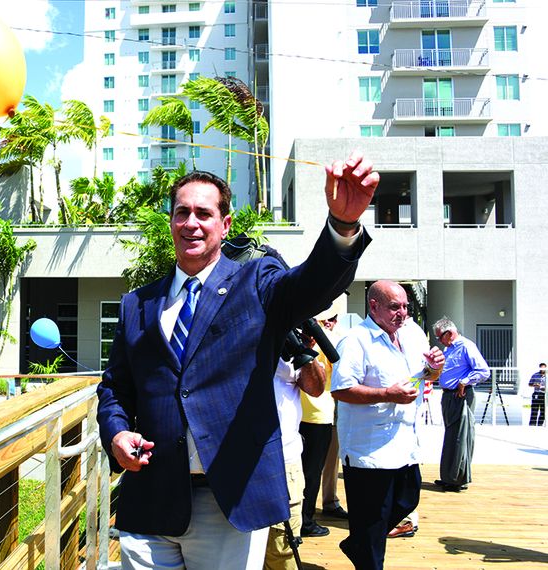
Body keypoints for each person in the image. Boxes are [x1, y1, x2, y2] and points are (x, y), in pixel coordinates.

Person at [97, 151, 378, 569]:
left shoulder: (257, 281)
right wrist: (117, 433)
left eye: (204, 213)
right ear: (171, 221)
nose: (191, 223)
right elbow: (115, 389)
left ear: (225, 224)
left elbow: (311, 285)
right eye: (181, 212)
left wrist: (342, 226)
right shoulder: (137, 304)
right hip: (151, 497)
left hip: (229, 497)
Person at [331, 281, 444, 569]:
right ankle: (364, 550)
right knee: (372, 527)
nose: (403, 313)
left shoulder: (411, 337)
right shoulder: (356, 340)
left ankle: (357, 543)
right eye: (395, 306)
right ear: (374, 306)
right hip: (370, 451)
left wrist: (435, 367)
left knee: (408, 500)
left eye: (405, 306)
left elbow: (425, 376)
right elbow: (341, 390)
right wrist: (386, 395)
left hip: (405, 445)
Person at [266, 357, 326, 569]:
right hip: (239, 464)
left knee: (282, 549)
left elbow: (316, 388)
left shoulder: (292, 343)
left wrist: (305, 353)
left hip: (285, 460)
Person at [298, 302, 347, 539]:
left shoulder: (299, 336)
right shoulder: (329, 340)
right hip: (318, 415)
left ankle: (300, 518)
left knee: (302, 472)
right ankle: (305, 520)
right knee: (312, 472)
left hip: (301, 414)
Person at [432, 316, 489, 492]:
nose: (439, 340)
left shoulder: (466, 346)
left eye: (439, 336)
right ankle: (449, 476)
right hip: (449, 396)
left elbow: (483, 370)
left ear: (449, 333)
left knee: (461, 437)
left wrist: (465, 381)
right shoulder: (448, 349)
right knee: (451, 436)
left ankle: (458, 478)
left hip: (461, 395)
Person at [317, 310, 349, 522]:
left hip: (333, 406)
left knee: (332, 456)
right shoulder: (313, 335)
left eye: (334, 318)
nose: (331, 322)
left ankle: (329, 500)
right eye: (327, 318)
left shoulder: (341, 337)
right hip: (312, 408)